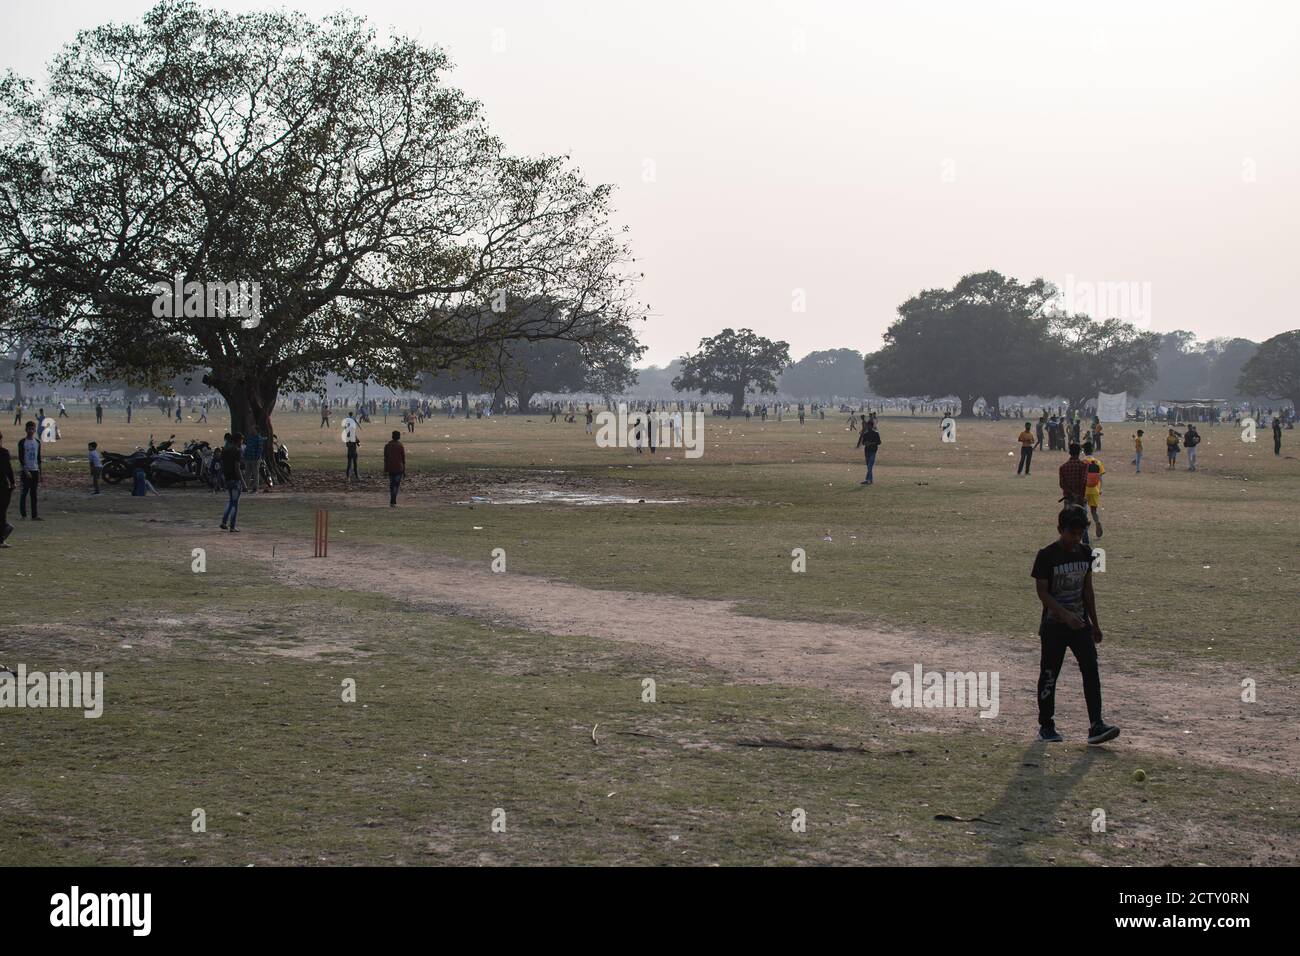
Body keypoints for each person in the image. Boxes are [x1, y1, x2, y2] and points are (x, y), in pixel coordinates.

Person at [1031, 505, 1120, 745]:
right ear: (1060, 529)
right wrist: (1063, 614)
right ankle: (1046, 726)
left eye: (1080, 533)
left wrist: (1095, 624)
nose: (1076, 538)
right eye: (1072, 533)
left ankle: (1096, 725)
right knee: (1050, 674)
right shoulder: (1046, 555)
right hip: (1054, 626)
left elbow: (1087, 591)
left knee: (1091, 670)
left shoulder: (1085, 553)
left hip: (1080, 625)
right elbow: (1042, 592)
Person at [16, 421, 41, 521]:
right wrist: (25, 470)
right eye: (29, 429)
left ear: (35, 430)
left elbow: (38, 458)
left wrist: (40, 472)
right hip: (26, 471)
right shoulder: (22, 442)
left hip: (35, 470)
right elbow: (21, 457)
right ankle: (23, 515)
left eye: (32, 429)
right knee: (24, 493)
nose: (31, 431)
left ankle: (34, 515)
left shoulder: (37, 442)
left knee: (34, 494)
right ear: (26, 430)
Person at [220, 433, 243, 531]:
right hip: (235, 480)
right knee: (235, 504)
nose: (242, 442)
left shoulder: (225, 451)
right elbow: (237, 468)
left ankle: (224, 522)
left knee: (230, 502)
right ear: (238, 440)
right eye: (241, 440)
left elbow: (223, 465)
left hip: (228, 479)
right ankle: (232, 526)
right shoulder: (236, 452)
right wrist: (243, 482)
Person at [1082, 441, 1104, 539]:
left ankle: (1086, 523)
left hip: (1085, 489)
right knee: (1094, 511)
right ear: (1092, 450)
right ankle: (1097, 522)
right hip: (1095, 488)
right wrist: (1100, 489)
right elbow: (1100, 477)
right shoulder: (1098, 462)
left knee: (1083, 510)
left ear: (1084, 451)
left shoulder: (1083, 462)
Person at [383, 430, 405, 507]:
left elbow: (385, 458)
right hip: (399, 468)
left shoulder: (387, 445)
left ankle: (392, 500)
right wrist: (404, 470)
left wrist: (385, 469)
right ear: (398, 437)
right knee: (396, 485)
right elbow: (403, 458)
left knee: (392, 485)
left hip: (390, 467)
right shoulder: (400, 446)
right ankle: (393, 501)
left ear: (392, 436)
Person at [856, 418, 881, 485]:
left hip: (873, 451)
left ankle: (867, 480)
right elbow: (863, 443)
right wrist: (866, 443)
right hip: (867, 451)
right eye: (867, 426)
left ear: (872, 426)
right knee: (868, 466)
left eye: (869, 426)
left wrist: (871, 443)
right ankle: (870, 480)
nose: (868, 427)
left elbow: (879, 442)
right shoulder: (865, 434)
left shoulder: (876, 434)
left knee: (870, 466)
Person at [0, 431, 14, 547]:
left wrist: (13, 483)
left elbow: (9, 469)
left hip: (4, 487)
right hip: (4, 486)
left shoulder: (5, 453)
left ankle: (2, 537)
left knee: (2, 512)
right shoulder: (5, 453)